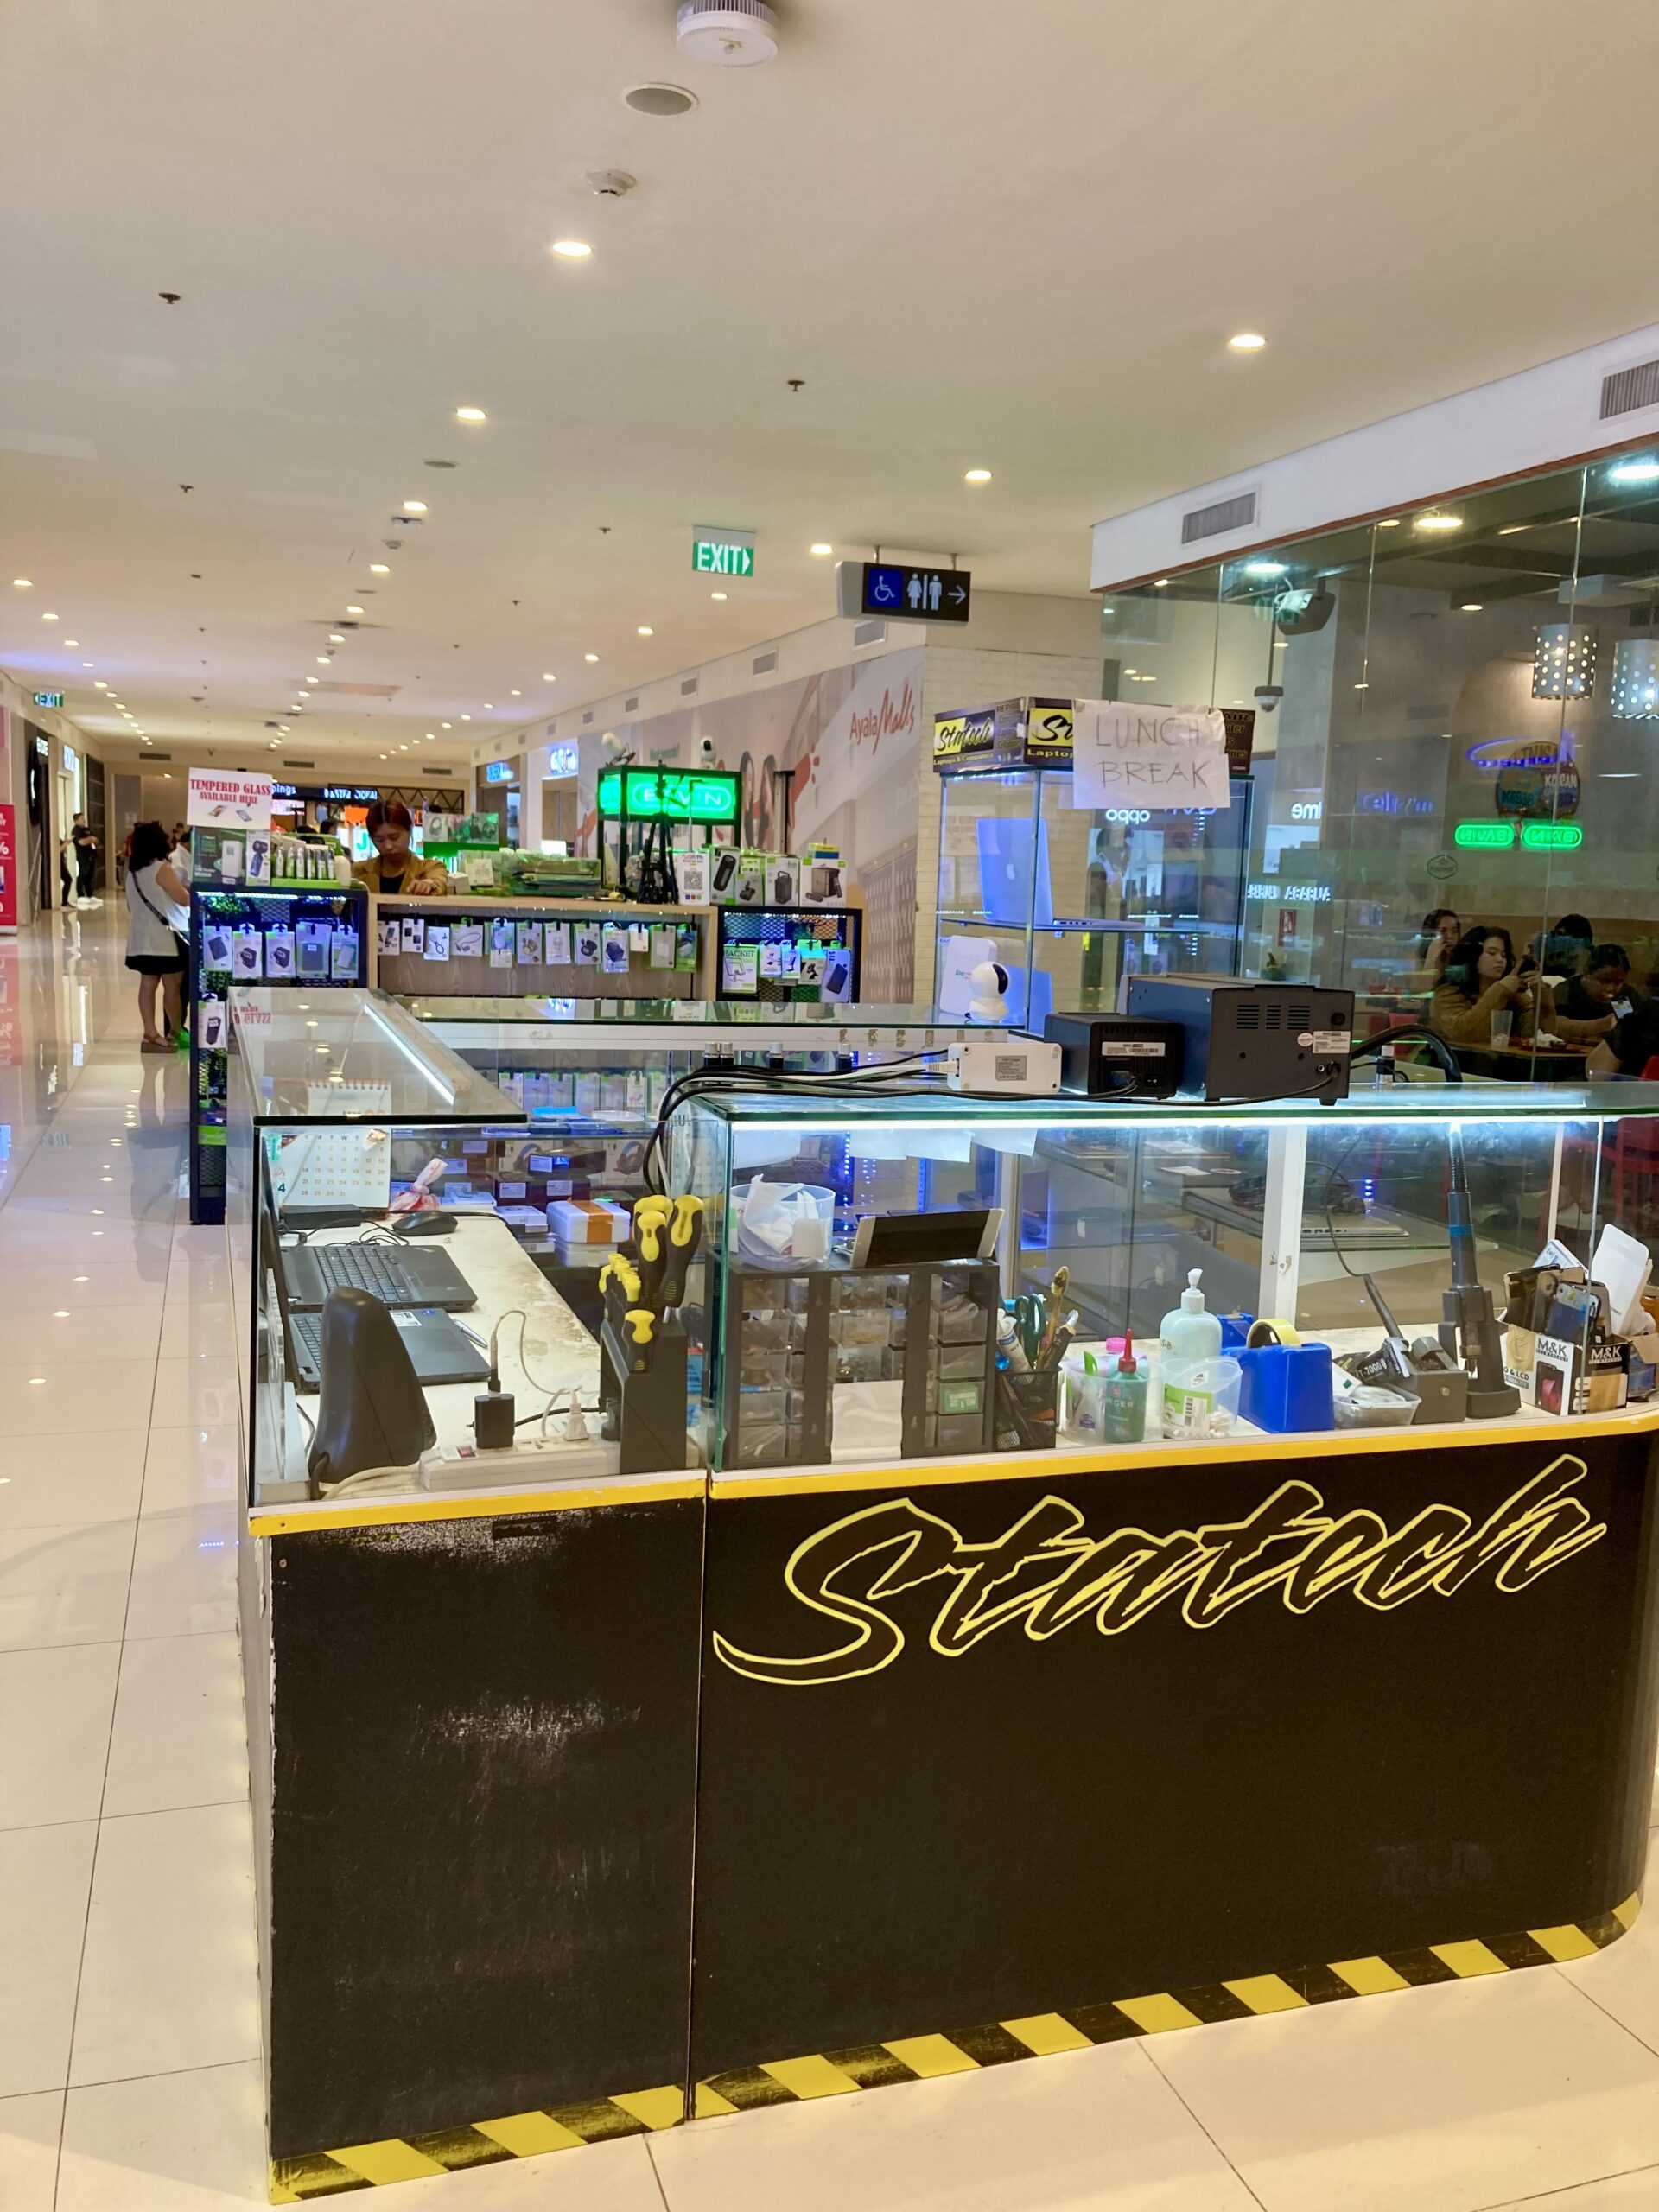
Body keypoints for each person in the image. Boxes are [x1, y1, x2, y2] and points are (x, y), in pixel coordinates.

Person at [1431, 925, 1560, 1047]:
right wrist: (1501, 990)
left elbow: (1545, 1034)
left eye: (1504, 955)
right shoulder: (1448, 994)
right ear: (1473, 956)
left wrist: (1541, 993)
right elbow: (1463, 1034)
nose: (1500, 959)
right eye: (1492, 953)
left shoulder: (1514, 997)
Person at [124, 819, 190, 1053]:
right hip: (163, 939)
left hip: (140, 939)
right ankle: (175, 1031)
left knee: (148, 983)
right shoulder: (161, 869)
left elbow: (130, 907)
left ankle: (150, 1034)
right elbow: (183, 899)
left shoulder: (132, 873)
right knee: (173, 986)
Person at [349, 799, 449, 895]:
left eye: (394, 837)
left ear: (409, 831)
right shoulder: (359, 871)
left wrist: (428, 885)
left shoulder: (430, 868)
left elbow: (438, 882)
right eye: (380, 840)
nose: (388, 846)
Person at [1553, 944, 1637, 1046]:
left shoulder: (1623, 996)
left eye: (1618, 982)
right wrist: (1602, 1025)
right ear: (1587, 974)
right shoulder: (1567, 990)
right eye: (1604, 981)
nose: (1610, 988)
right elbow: (1555, 1025)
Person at [1409, 908, 1460, 989]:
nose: (1449, 936)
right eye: (1443, 931)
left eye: (1454, 931)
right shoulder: (1415, 957)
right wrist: (1431, 957)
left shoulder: (1460, 957)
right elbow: (1420, 990)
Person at [71, 812, 101, 905]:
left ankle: (90, 895)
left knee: (90, 876)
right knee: (83, 874)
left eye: (84, 818)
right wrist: (91, 839)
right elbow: (81, 842)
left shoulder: (87, 830)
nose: (84, 820)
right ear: (76, 821)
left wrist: (93, 839)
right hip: (82, 856)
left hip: (90, 855)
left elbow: (96, 839)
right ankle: (80, 895)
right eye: (81, 818)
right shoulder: (76, 831)